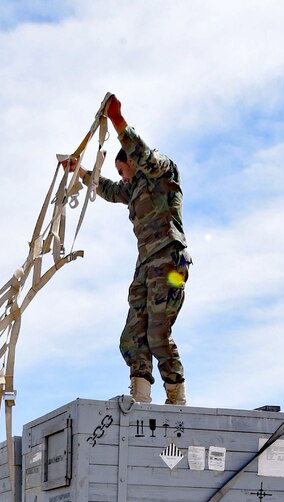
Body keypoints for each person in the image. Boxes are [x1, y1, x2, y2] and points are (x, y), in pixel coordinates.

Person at [65, 94, 190, 406]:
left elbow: (145, 156)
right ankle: (141, 398)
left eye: (123, 171)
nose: (123, 178)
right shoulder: (133, 188)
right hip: (147, 265)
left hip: (170, 262)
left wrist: (118, 121)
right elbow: (109, 190)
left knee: (158, 335)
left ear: (132, 162)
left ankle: (176, 399)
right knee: (132, 338)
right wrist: (79, 171)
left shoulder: (161, 171)